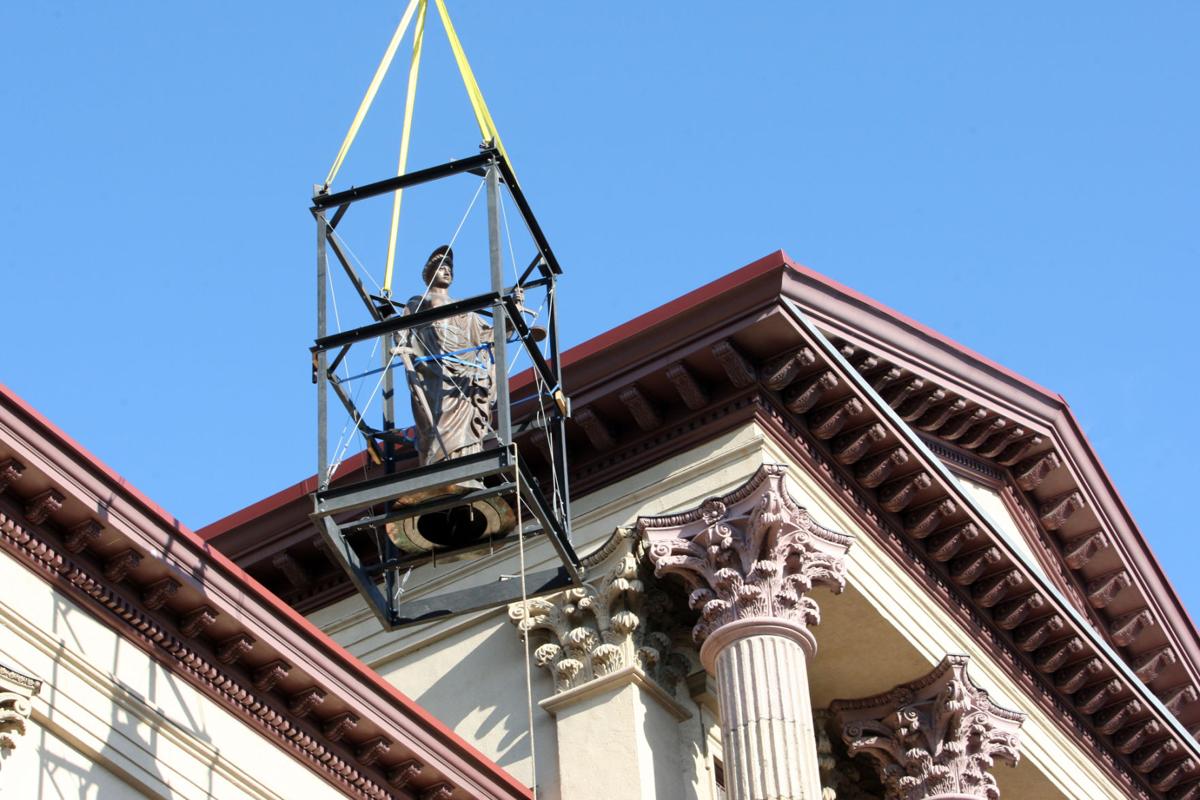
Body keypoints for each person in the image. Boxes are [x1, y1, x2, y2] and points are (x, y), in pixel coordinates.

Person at [395, 245, 494, 465]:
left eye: (449, 267)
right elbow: (402, 330)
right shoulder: (418, 301)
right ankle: (439, 462)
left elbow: (488, 335)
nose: (447, 271)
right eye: (441, 267)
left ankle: (464, 463)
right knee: (437, 416)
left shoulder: (464, 309)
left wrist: (515, 308)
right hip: (434, 369)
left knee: (466, 414)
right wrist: (401, 343)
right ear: (429, 273)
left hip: (464, 370)